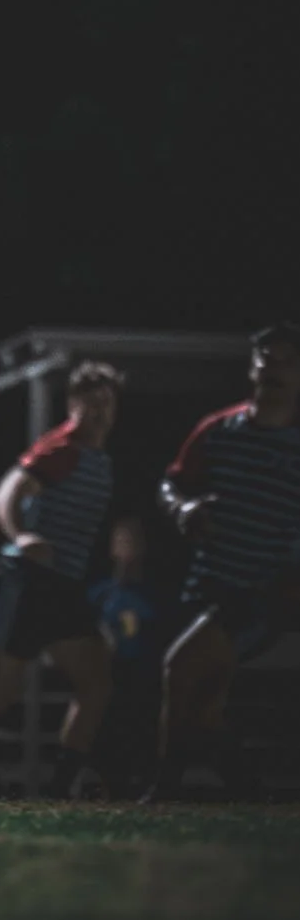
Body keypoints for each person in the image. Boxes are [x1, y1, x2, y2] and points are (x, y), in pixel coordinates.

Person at [0, 361, 142, 798]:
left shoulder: (101, 460)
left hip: (64, 588)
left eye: (106, 403)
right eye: (89, 403)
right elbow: (6, 492)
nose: (98, 412)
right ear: (72, 404)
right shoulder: (61, 448)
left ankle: (60, 787)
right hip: (27, 584)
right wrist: (22, 535)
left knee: (96, 685)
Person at [145, 322, 300, 803]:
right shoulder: (218, 430)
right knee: (206, 706)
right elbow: (170, 484)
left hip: (264, 593)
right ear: (250, 367)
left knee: (180, 668)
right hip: (211, 582)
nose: (271, 370)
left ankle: (165, 791)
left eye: (285, 361)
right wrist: (182, 508)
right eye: (264, 359)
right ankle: (251, 794)